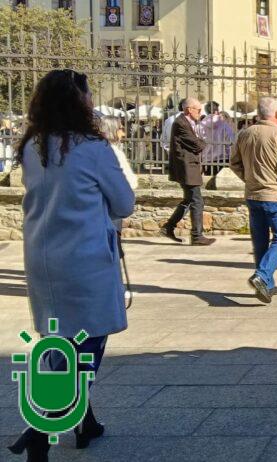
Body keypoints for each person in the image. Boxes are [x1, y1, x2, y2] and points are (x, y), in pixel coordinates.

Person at [8, 69, 135, 461]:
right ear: (78, 102)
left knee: (57, 337)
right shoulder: (92, 148)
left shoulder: (33, 146)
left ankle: (86, 422)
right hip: (85, 258)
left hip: (43, 256)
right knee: (88, 343)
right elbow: (124, 203)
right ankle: (40, 427)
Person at [229, 97, 277, 303]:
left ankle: (265, 285)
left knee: (260, 241)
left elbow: (234, 163)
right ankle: (262, 275)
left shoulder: (245, 134)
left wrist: (248, 179)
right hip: (276, 195)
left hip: (253, 194)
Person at [162, 97, 215, 245]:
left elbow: (195, 143)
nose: (200, 112)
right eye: (198, 110)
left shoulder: (187, 122)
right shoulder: (181, 123)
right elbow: (196, 144)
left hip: (189, 166)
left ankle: (168, 227)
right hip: (186, 167)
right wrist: (202, 143)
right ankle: (197, 236)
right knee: (197, 200)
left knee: (189, 200)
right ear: (188, 109)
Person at [99, 116, 139, 191]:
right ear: (112, 130)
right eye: (121, 129)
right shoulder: (114, 153)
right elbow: (130, 182)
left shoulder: (88, 149)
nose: (123, 134)